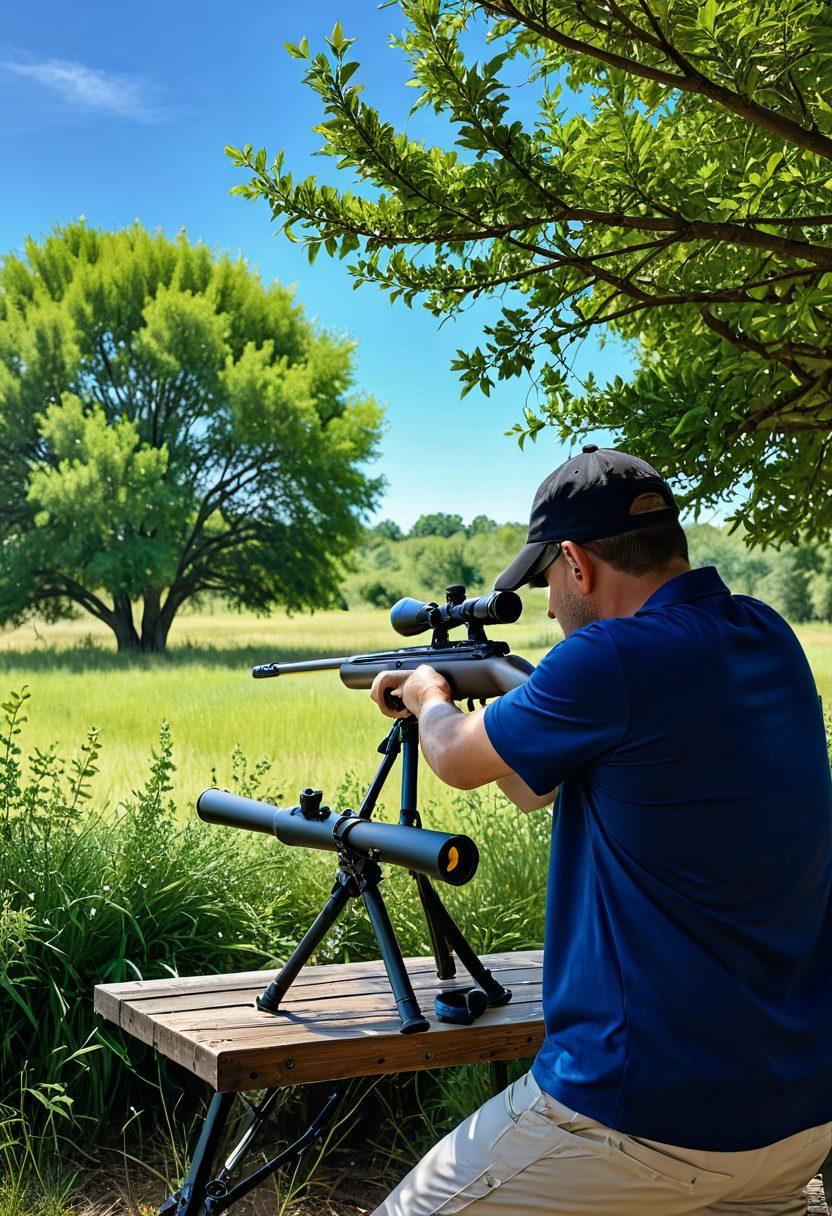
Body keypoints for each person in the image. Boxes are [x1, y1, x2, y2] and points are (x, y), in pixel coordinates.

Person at [368, 445, 832, 1216]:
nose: (549, 605)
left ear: (577, 563)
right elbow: (533, 786)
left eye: (549, 579)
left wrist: (426, 694)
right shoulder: (768, 635)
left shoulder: (610, 657)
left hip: (638, 1114)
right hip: (796, 1112)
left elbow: (451, 757)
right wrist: (489, 705)